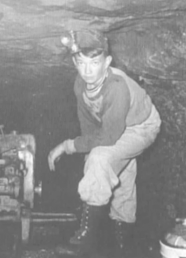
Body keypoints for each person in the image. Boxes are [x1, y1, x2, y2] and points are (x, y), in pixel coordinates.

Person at [48, 29, 161, 257]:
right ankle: (124, 247)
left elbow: (109, 138)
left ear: (107, 62)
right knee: (119, 175)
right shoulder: (80, 85)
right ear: (75, 63)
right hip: (117, 127)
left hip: (142, 126)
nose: (88, 70)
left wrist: (68, 146)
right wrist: (87, 153)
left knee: (101, 157)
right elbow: (89, 124)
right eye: (81, 63)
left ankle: (87, 241)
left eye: (95, 62)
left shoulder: (116, 86)